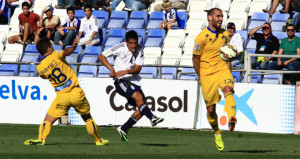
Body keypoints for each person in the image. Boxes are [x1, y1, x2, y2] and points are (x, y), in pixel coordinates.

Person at [24, 37, 109, 146]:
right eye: (52, 46)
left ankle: (41, 138)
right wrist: (73, 47)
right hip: (75, 92)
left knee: (48, 120)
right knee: (87, 117)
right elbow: (66, 52)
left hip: (62, 97)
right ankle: (98, 140)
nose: (53, 47)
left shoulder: (40, 68)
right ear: (49, 49)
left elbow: (44, 77)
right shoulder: (55, 54)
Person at [98, 30, 164, 144]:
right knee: (138, 97)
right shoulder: (119, 47)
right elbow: (101, 56)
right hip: (121, 81)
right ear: (126, 43)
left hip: (134, 81)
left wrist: (126, 71)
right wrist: (112, 69)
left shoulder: (140, 50)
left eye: (136, 43)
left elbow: (138, 68)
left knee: (143, 108)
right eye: (132, 43)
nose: (134, 46)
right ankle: (152, 118)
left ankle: (123, 128)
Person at [192, 8, 237, 151]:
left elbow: (227, 53)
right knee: (211, 109)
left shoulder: (225, 34)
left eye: (222, 16)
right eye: (218, 16)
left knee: (228, 89)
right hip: (206, 73)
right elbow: (195, 58)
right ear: (210, 18)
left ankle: (231, 118)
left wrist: (229, 72)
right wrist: (200, 76)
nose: (220, 19)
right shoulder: (201, 37)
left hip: (222, 69)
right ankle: (217, 132)